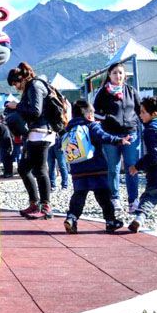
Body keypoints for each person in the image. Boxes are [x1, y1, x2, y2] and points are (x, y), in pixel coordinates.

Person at [61, 100, 129, 234]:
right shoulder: (91, 125)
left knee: (79, 195)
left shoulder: (68, 128)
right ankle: (110, 221)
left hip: (77, 169)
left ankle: (71, 218)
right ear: (89, 115)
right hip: (96, 168)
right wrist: (118, 140)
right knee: (104, 195)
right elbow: (103, 136)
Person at [5, 62, 55, 220]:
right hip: (37, 133)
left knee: (40, 170)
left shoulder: (35, 86)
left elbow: (35, 111)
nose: (16, 87)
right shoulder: (33, 86)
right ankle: (35, 203)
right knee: (24, 169)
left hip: (41, 132)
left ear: (21, 79)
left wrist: (16, 106)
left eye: (15, 84)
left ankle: (45, 207)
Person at [93, 62, 142, 213]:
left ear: (124, 75)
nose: (118, 76)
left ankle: (133, 200)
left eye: (120, 73)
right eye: (114, 73)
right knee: (113, 168)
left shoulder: (131, 91)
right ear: (109, 75)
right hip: (110, 135)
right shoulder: (103, 92)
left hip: (130, 133)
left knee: (131, 167)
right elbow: (95, 112)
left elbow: (140, 110)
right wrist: (107, 118)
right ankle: (115, 198)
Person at [127, 96, 157, 233]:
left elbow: (156, 156)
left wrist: (137, 166)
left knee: (149, 198)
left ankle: (139, 218)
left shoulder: (151, 130)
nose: (140, 115)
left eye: (142, 112)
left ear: (154, 114)